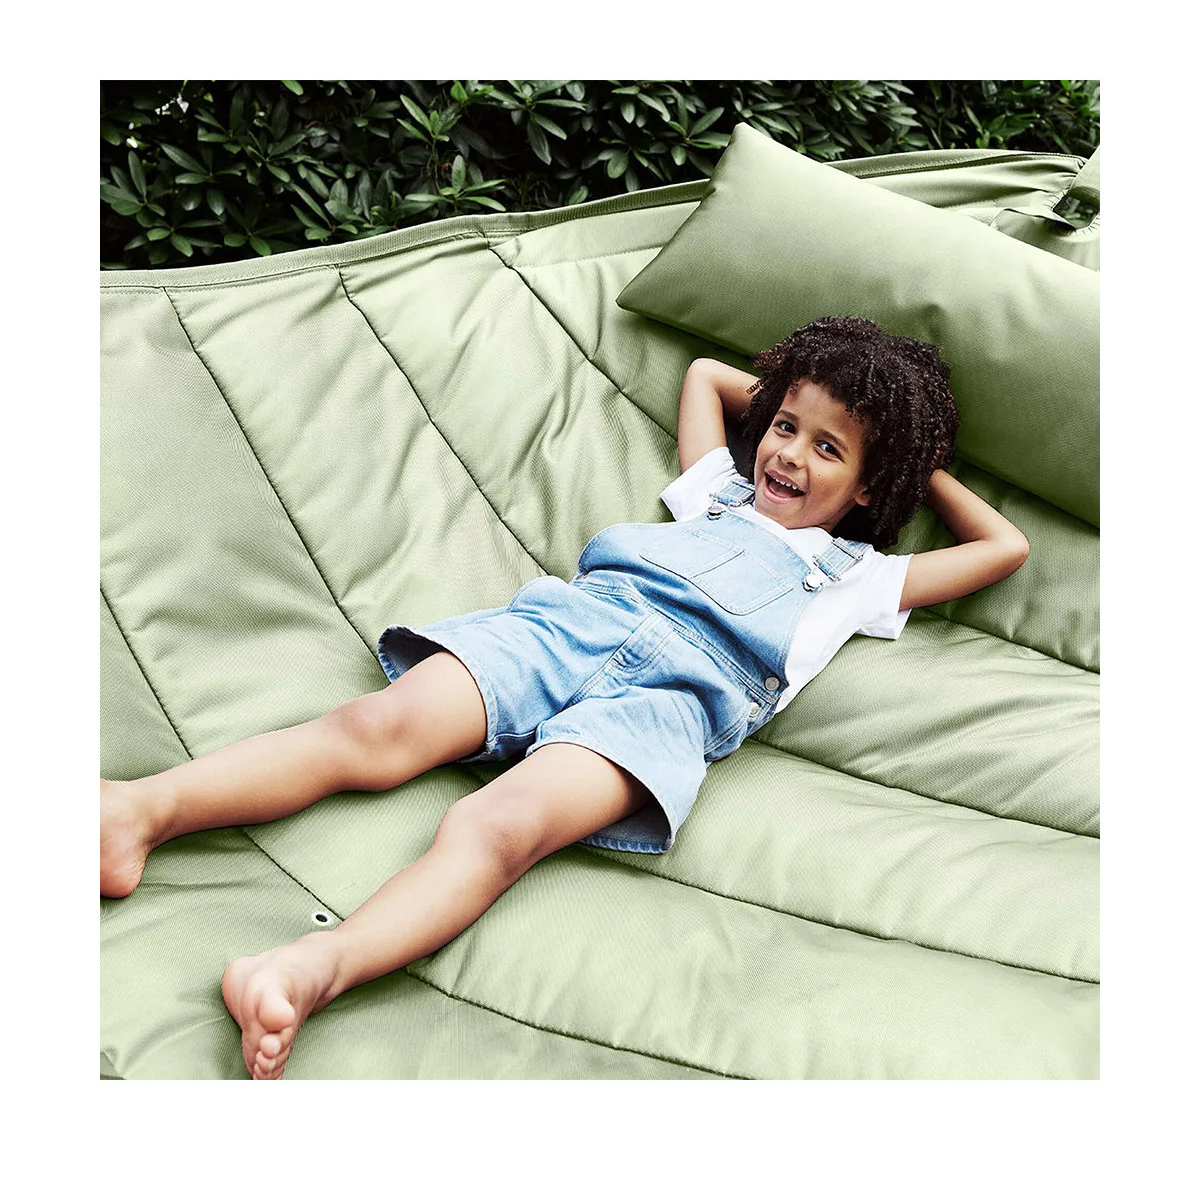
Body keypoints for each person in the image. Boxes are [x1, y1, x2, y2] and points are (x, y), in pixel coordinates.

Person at [100, 315, 1029, 1079]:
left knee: (498, 831)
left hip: (665, 707)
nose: (789, 455)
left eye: (828, 450)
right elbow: (707, 377)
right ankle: (140, 812)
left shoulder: (860, 577)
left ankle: (307, 971)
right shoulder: (719, 491)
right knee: (374, 729)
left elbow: (1003, 548)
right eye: (785, 427)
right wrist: (821, 407)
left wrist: (903, 461)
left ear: (869, 486)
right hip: (573, 626)